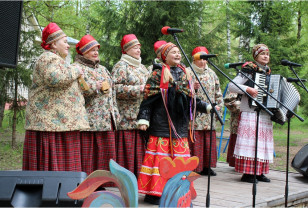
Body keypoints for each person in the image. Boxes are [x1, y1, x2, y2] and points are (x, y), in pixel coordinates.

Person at [137, 42, 211, 205]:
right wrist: (144, 118)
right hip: (161, 124)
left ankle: (177, 190)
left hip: (180, 125)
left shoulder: (186, 74)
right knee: (160, 159)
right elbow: (148, 100)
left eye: (179, 52)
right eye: (173, 53)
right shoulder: (157, 75)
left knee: (179, 160)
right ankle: (155, 194)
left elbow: (190, 99)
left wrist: (205, 106)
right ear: (164, 57)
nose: (178, 55)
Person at [23, 22, 89, 171]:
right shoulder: (48, 58)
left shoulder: (60, 61)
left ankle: (62, 191)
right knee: (54, 169)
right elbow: (55, 78)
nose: (68, 45)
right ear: (53, 44)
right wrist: (76, 70)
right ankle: (53, 192)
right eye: (65, 42)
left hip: (60, 124)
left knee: (63, 166)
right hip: (49, 124)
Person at [71, 34, 120, 176]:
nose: (96, 52)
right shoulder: (76, 68)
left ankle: (103, 181)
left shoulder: (103, 69)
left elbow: (113, 93)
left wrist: (115, 113)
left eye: (97, 49)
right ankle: (87, 182)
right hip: (89, 120)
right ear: (83, 52)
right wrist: (94, 87)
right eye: (92, 50)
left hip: (106, 119)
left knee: (105, 153)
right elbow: (74, 93)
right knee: (89, 153)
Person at [228, 44, 273, 183]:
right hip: (250, 111)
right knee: (251, 142)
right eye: (262, 54)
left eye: (267, 54)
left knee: (261, 142)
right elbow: (232, 85)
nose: (265, 56)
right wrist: (248, 89)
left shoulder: (268, 72)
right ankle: (247, 173)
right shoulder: (249, 69)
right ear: (255, 56)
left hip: (264, 112)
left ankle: (259, 172)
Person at [111, 34, 149, 176]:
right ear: (126, 50)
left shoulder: (143, 68)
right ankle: (124, 177)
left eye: (139, 47)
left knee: (140, 147)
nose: (138, 50)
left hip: (142, 115)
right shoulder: (121, 66)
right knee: (127, 147)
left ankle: (139, 175)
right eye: (134, 47)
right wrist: (138, 89)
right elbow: (115, 88)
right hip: (126, 115)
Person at [188, 46, 223, 176]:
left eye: (205, 59)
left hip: (209, 113)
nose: (203, 62)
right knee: (196, 139)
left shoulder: (212, 74)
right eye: (200, 59)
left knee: (208, 139)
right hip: (195, 112)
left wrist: (219, 106)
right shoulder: (188, 72)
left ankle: (207, 166)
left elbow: (217, 92)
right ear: (194, 59)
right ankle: (195, 166)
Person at [224, 90, 241, 167]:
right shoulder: (239, 82)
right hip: (238, 120)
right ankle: (236, 162)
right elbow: (228, 101)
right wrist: (243, 106)